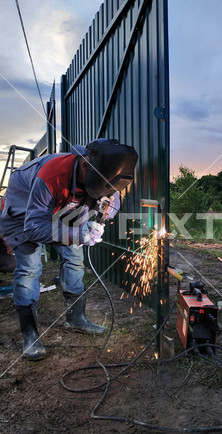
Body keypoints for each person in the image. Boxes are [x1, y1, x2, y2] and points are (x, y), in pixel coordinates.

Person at [0, 138, 138, 360]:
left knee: (75, 256)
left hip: (63, 206)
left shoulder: (106, 175)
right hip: (24, 212)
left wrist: (102, 217)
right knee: (29, 268)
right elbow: (34, 228)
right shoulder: (52, 176)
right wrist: (78, 233)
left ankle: (75, 318)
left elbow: (114, 200)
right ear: (85, 165)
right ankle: (30, 334)